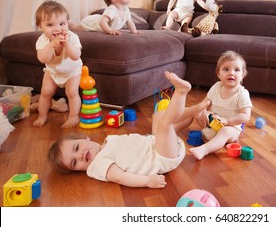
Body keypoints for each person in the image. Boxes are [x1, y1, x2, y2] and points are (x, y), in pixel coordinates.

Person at [48, 71, 210, 188]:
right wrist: (147, 181)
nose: (81, 155)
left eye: (77, 148)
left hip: (155, 145)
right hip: (163, 157)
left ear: (84, 138)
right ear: (76, 170)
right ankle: (181, 92)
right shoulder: (97, 166)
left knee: (160, 116)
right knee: (164, 125)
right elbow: (120, 177)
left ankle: (192, 112)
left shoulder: (107, 142)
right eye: (74, 162)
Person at [177, 51, 253, 160]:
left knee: (226, 131)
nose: (231, 73)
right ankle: (175, 129)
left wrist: (227, 121)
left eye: (236, 70)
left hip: (230, 128)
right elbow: (204, 103)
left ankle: (205, 149)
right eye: (226, 69)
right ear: (218, 74)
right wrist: (203, 112)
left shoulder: (242, 93)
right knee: (194, 110)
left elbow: (245, 116)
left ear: (242, 75)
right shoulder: (216, 87)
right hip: (210, 123)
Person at [34, 0, 83, 128]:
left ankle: (73, 116)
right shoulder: (42, 40)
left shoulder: (72, 37)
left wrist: (67, 44)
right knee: (45, 92)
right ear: (40, 27)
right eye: (50, 25)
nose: (57, 29)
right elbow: (43, 59)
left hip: (72, 71)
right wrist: (51, 45)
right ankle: (42, 115)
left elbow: (76, 56)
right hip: (53, 71)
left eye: (62, 23)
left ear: (67, 23)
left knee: (72, 92)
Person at [69, 0, 142, 35]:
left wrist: (134, 31)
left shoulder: (126, 9)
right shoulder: (112, 9)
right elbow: (102, 22)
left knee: (75, 27)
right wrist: (110, 31)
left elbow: (130, 22)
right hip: (92, 23)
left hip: (98, 21)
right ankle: (66, 23)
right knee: (74, 27)